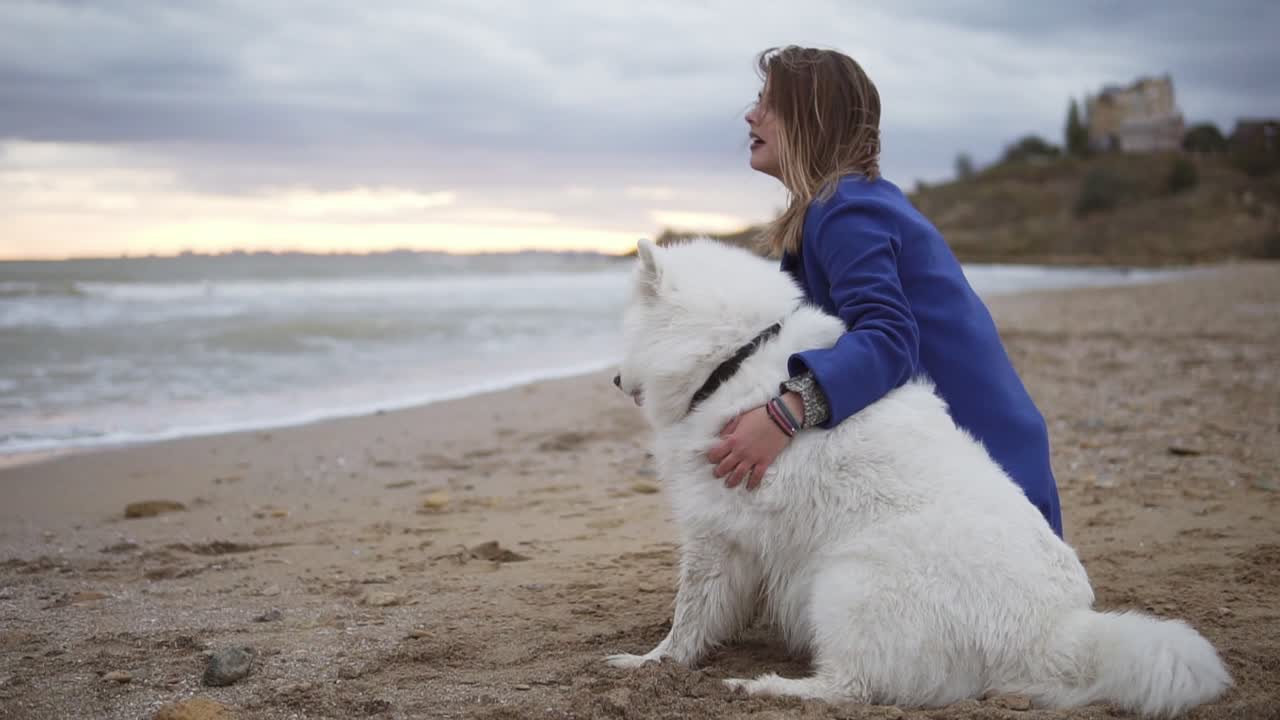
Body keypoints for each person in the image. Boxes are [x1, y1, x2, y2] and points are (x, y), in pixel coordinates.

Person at [707, 45, 1064, 537]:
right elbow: (790, 331)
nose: (751, 114)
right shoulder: (841, 205)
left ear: (814, 118)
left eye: (769, 103)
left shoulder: (847, 211)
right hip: (970, 470)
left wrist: (784, 415)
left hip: (993, 489)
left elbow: (889, 337)